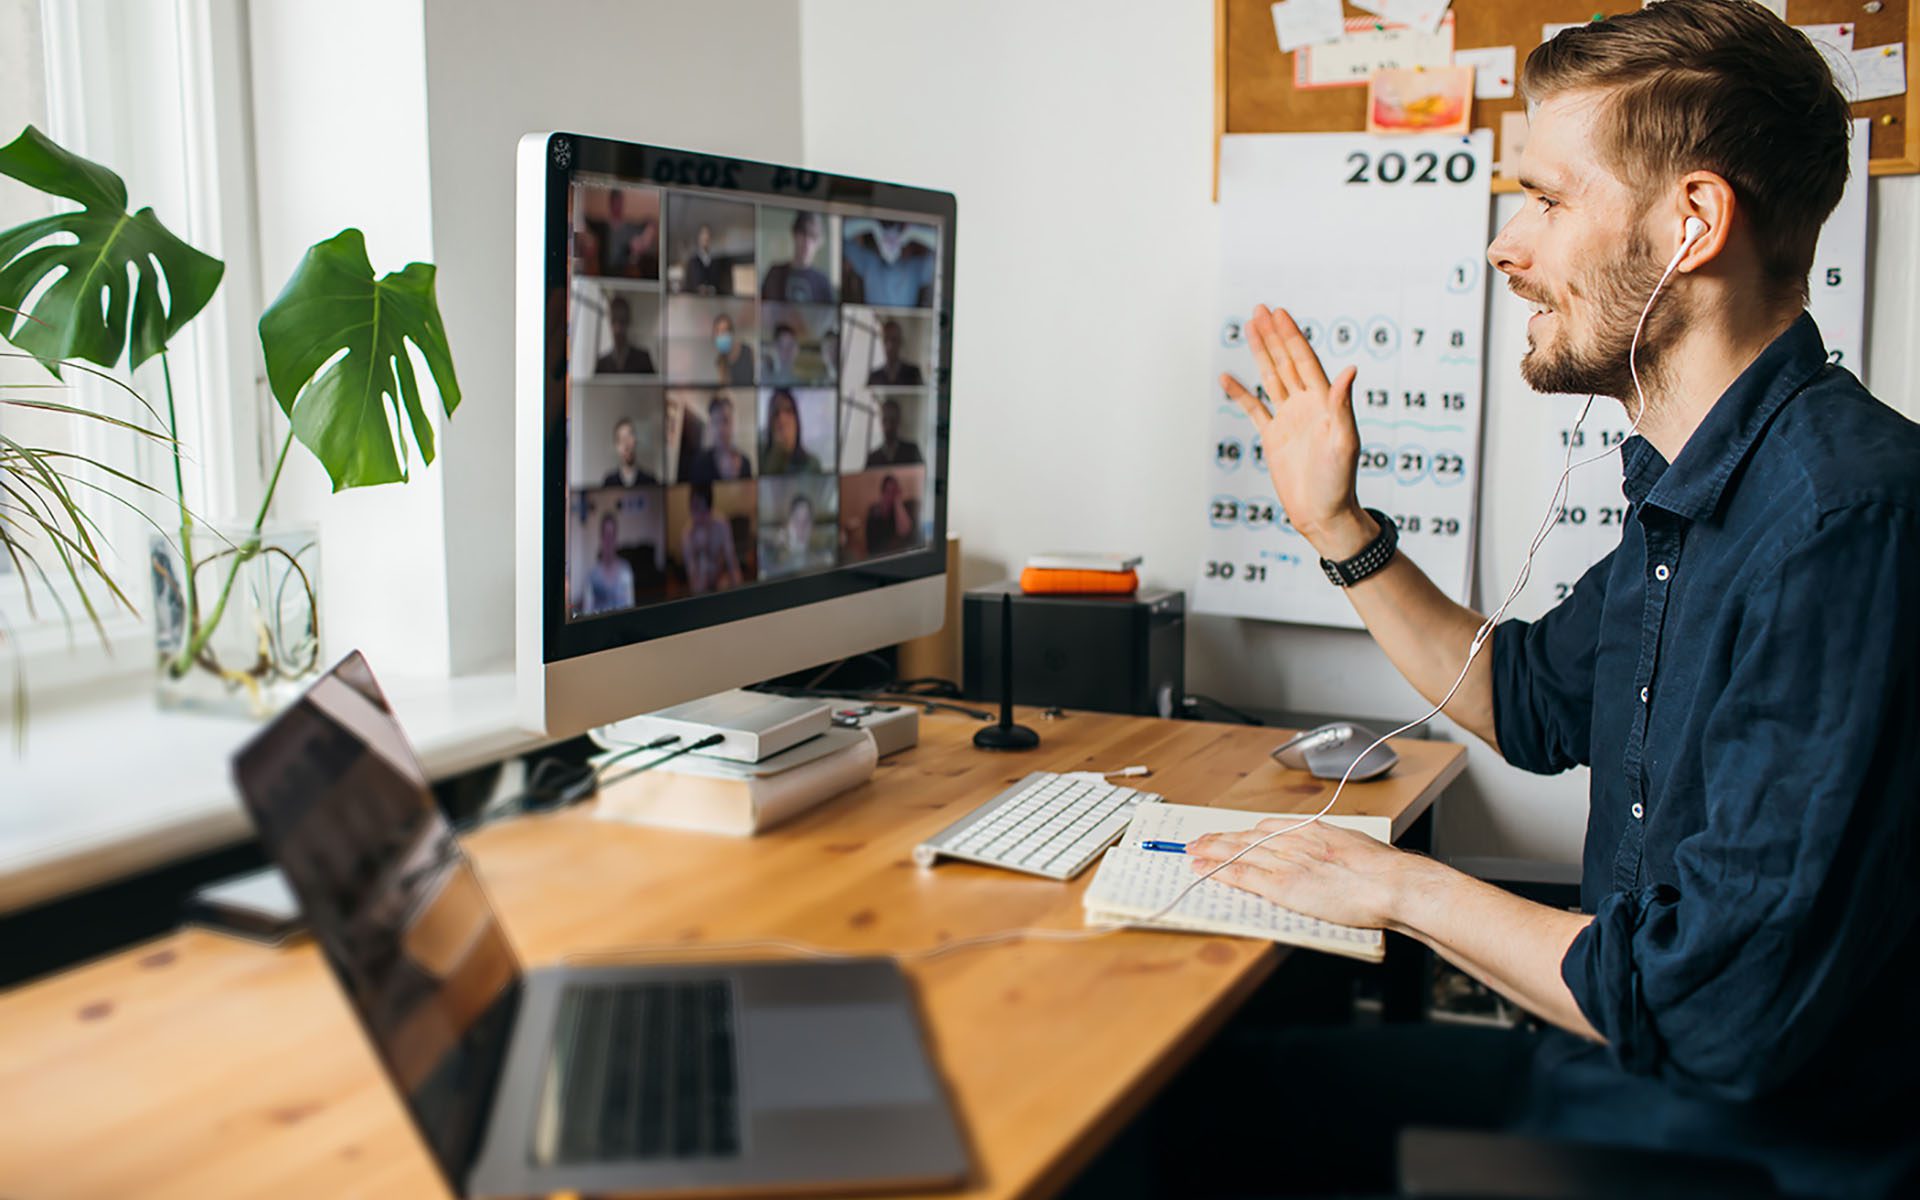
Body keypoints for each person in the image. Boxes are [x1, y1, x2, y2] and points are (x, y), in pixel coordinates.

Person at [1165, 4, 1920, 1197]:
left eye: (1549, 201)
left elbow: (1715, 1014)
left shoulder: (1842, 522)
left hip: (1752, 1153)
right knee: (1212, 1095)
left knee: (1177, 1136)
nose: (1506, 247)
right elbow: (1527, 698)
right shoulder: (1706, 484)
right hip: (1626, 1080)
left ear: (1693, 223)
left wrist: (1396, 887)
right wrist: (1336, 528)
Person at [842, 219, 937, 307]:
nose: (890, 243)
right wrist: (873, 226)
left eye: (895, 237)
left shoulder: (915, 269)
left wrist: (912, 232)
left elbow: (943, 244)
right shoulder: (868, 263)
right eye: (886, 236)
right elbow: (839, 234)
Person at [680, 480, 742, 594]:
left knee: (725, 584)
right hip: (700, 587)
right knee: (699, 588)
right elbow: (693, 580)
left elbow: (732, 562)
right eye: (695, 509)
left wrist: (739, 592)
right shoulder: (687, 535)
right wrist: (701, 552)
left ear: (710, 508)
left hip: (721, 581)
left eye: (704, 511)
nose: (699, 516)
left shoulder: (722, 525)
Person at [760, 210, 834, 303]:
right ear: (794, 234)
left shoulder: (823, 282)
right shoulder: (775, 273)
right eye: (803, 234)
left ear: (819, 242)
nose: (807, 243)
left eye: (813, 236)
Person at [686, 392, 751, 482]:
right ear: (710, 426)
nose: (720, 429)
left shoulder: (745, 463)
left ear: (733, 423)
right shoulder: (700, 462)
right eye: (716, 422)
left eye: (725, 420)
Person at [582, 512, 635, 614]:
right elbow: (587, 613)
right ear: (601, 538)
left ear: (616, 538)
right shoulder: (591, 576)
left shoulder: (625, 571)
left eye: (611, 536)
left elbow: (631, 607)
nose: (609, 541)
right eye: (606, 536)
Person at [760, 389, 821, 476]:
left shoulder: (812, 464)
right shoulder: (761, 460)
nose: (782, 419)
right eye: (776, 413)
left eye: (788, 411)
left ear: (797, 422)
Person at [762, 493, 823, 577]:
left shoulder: (819, 558)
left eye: (806, 521)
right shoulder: (773, 551)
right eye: (797, 519)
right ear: (789, 522)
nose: (801, 528)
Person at [601, 188, 658, 278]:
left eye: (620, 202)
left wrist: (645, 238)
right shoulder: (602, 226)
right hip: (606, 274)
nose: (618, 206)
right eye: (615, 202)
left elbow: (651, 222)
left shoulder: (629, 226)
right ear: (610, 203)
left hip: (627, 274)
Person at [594, 295, 655, 375]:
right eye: (614, 321)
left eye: (622, 321)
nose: (618, 329)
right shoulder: (602, 364)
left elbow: (652, 387)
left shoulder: (643, 360)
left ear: (628, 322)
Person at [862, 473, 916, 556]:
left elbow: (904, 531)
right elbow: (871, 548)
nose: (891, 496)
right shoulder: (874, 513)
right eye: (888, 491)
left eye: (894, 492)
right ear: (882, 493)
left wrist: (897, 501)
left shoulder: (901, 509)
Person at [864, 397, 923, 467]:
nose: (889, 426)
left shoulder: (912, 451)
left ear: (898, 421)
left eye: (893, 420)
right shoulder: (872, 457)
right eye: (885, 420)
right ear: (881, 422)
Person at [601, 416, 656, 487]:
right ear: (616, 446)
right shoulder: (609, 482)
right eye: (621, 440)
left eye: (629, 437)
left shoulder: (649, 480)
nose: (626, 444)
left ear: (635, 441)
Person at [865, 318, 924, 386]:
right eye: (886, 339)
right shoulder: (874, 376)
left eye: (894, 340)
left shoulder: (913, 372)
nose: (889, 346)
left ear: (900, 342)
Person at [680, 222, 731, 295]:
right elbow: (687, 285)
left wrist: (712, 289)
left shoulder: (716, 261)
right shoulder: (692, 261)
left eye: (708, 234)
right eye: (703, 234)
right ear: (698, 237)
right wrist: (698, 289)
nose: (705, 237)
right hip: (696, 301)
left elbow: (722, 285)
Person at [710, 312, 754, 385]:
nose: (721, 335)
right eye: (718, 332)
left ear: (731, 333)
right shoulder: (720, 362)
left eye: (724, 331)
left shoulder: (748, 351)